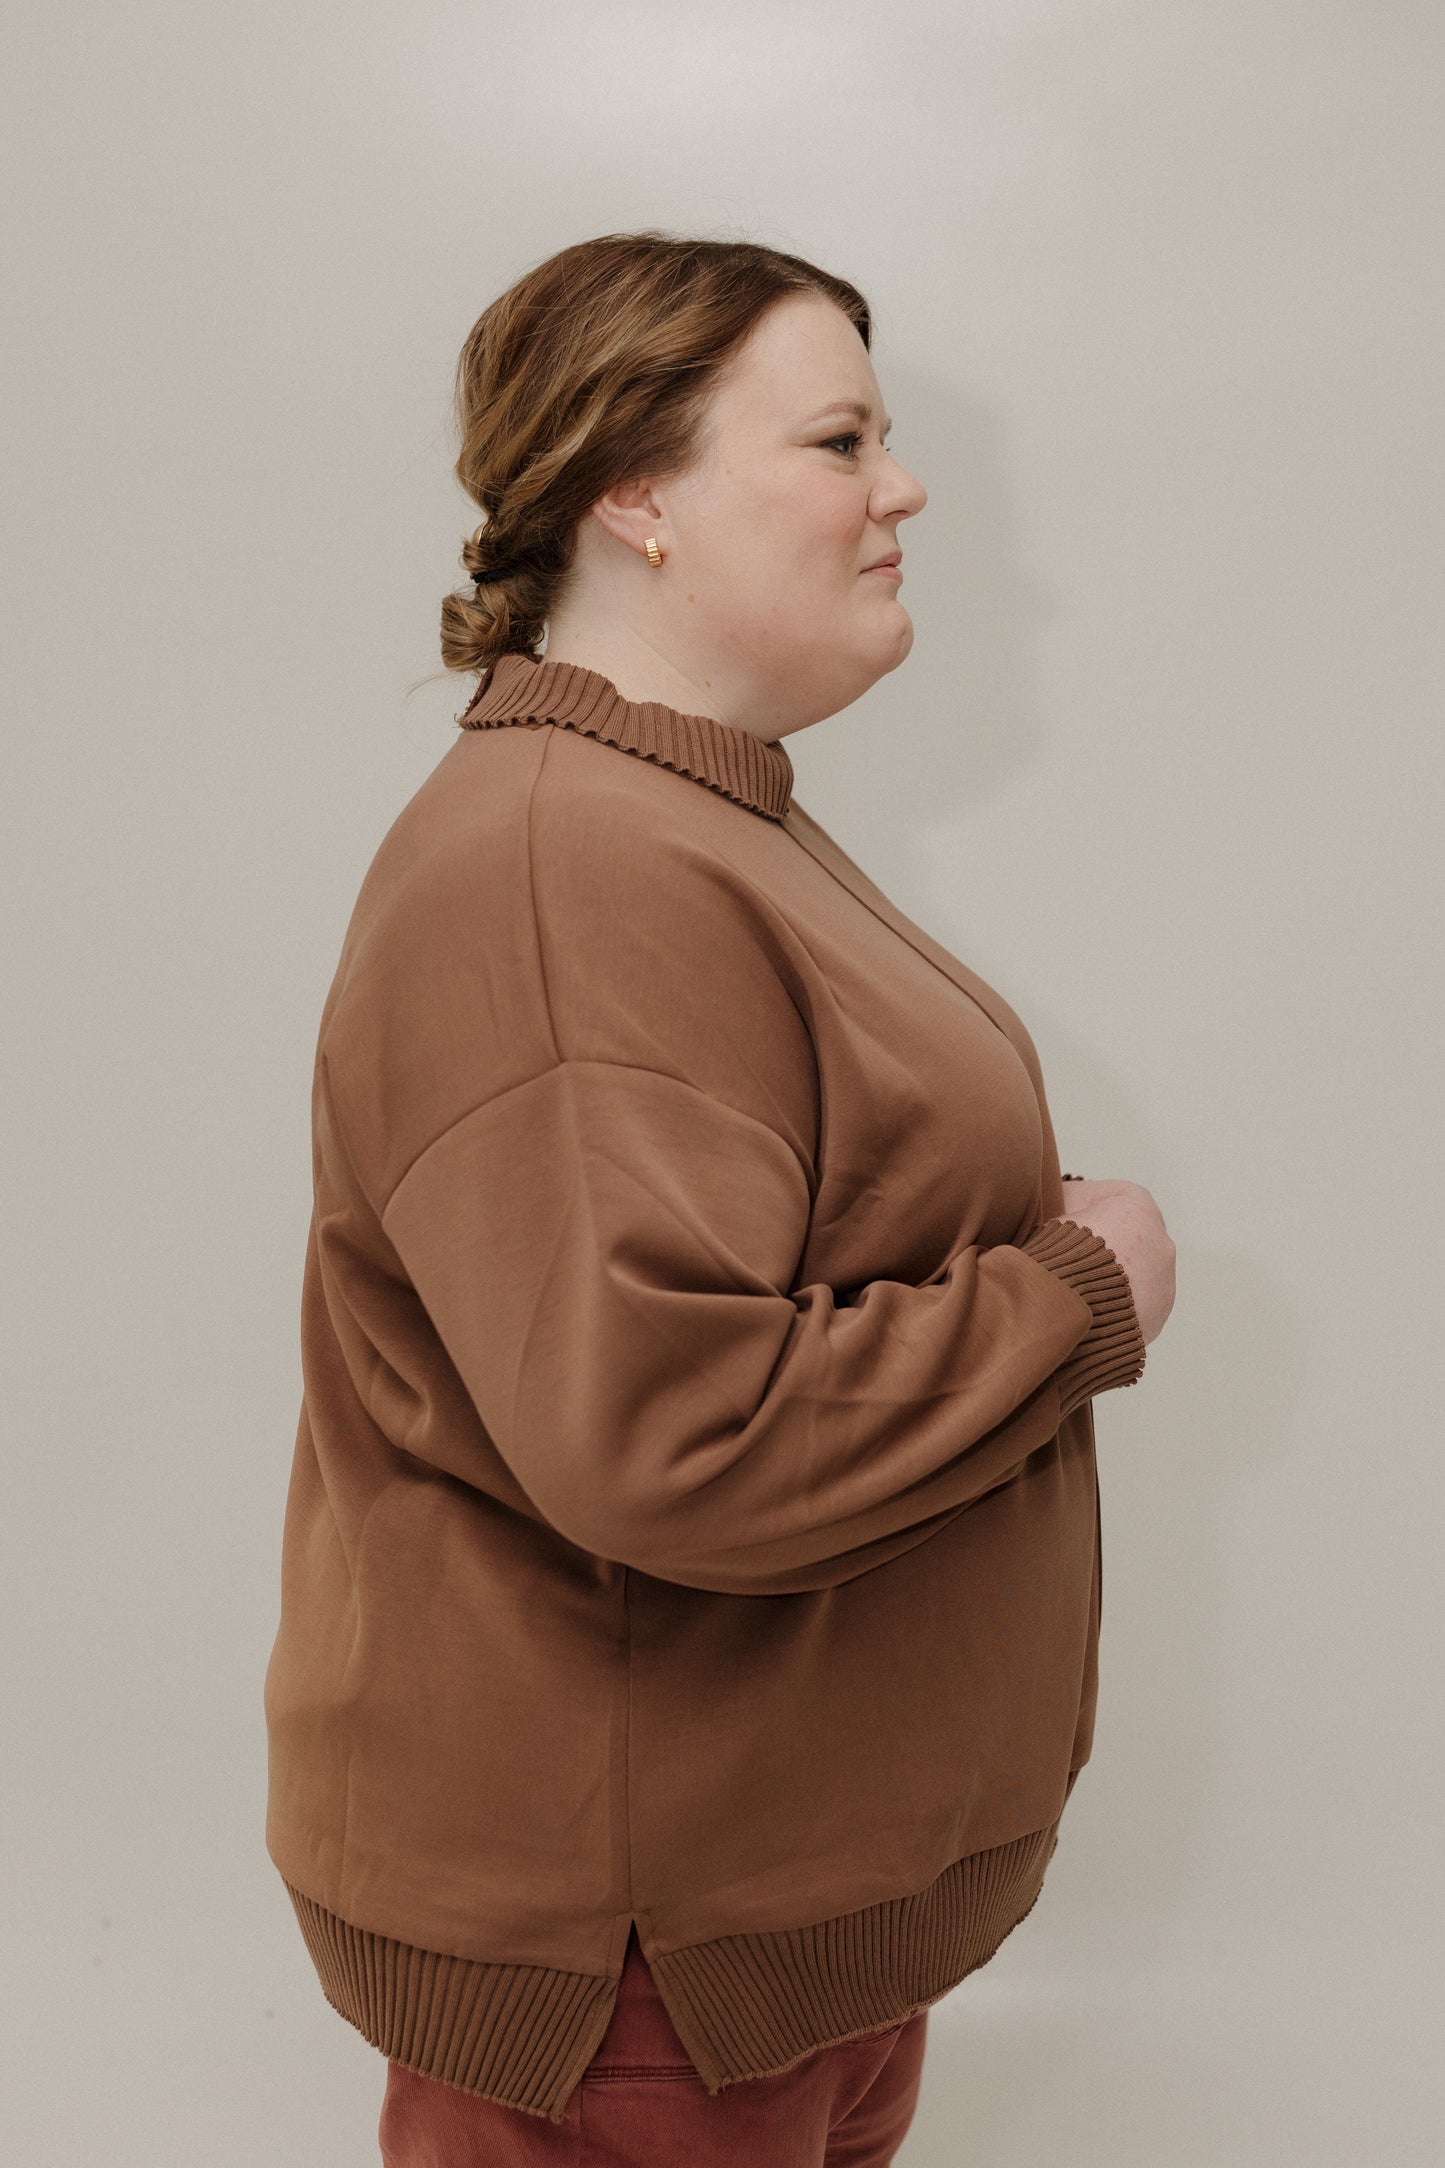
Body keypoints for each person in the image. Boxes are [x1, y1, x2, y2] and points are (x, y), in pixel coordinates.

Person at [263, 230, 1176, 2168]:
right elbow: (679, 1431)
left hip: (750, 1944)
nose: (902, 486)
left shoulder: (682, 815)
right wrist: (1080, 1288)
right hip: (645, 1985)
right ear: (635, 487)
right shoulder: (561, 871)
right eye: (842, 437)